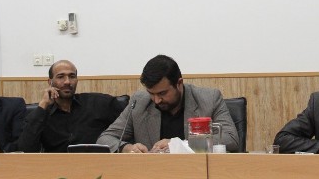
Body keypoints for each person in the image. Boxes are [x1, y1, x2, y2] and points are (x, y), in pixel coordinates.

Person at [97, 54, 239, 153]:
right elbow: (104, 139)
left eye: (162, 93)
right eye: (151, 93)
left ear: (179, 83)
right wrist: (127, 148)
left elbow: (231, 139)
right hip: (152, 177)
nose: (156, 100)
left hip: (197, 174)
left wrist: (179, 145)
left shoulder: (209, 99)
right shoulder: (139, 102)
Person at [18, 60, 125, 152]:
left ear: (77, 80)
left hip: (98, 165)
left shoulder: (101, 104)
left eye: (72, 76)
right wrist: (43, 105)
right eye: (61, 77)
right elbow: (26, 149)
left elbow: (128, 129)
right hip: (57, 167)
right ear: (50, 82)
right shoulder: (41, 115)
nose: (67, 82)